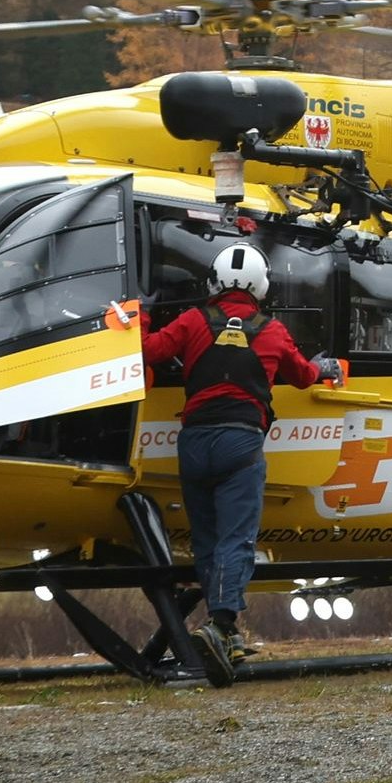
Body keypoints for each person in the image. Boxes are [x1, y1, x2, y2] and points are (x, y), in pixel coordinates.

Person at [144, 236, 343, 667]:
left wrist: (137, 314)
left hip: (194, 443)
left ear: (214, 281)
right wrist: (326, 368)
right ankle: (220, 624)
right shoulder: (273, 331)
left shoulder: (193, 320)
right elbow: (305, 376)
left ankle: (227, 635)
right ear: (261, 287)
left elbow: (151, 350)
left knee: (207, 541)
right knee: (237, 539)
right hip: (241, 442)